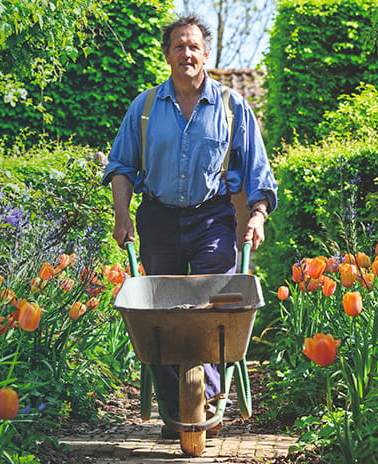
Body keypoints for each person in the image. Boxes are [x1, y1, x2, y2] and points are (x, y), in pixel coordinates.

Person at [101, 15, 278, 435]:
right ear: (167, 54)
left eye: (194, 46)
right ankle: (174, 407)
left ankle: (205, 401)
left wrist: (257, 215)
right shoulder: (144, 108)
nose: (187, 53)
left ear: (206, 53)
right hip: (158, 218)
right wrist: (121, 214)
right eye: (178, 46)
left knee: (212, 312)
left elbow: (258, 171)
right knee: (159, 316)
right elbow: (122, 166)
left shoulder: (233, 107)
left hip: (212, 220)